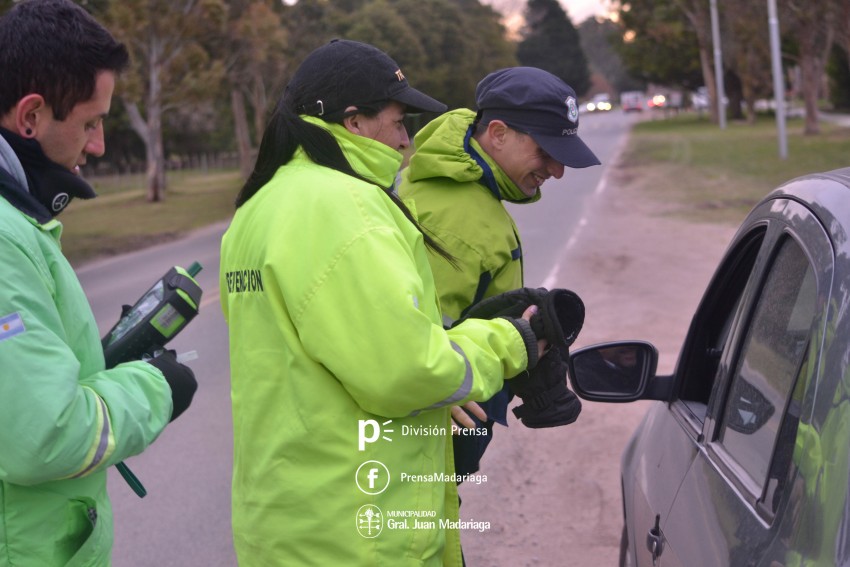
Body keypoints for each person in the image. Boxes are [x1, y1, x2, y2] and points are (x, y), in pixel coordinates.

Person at [219, 39, 547, 566]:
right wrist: (510, 340)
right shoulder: (348, 207)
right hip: (356, 527)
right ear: (354, 122)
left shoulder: (259, 205)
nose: (405, 142)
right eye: (398, 123)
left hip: (282, 517)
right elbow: (407, 370)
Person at [0, 1, 197, 565]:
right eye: (90, 122)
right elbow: (44, 434)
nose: (99, 145)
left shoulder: (22, 223)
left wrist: (94, 367)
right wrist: (158, 386)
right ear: (31, 116)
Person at [398, 66, 600, 474]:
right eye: (546, 152)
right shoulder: (454, 217)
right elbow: (413, 352)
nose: (557, 171)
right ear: (499, 133)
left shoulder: (464, 192)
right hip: (424, 447)